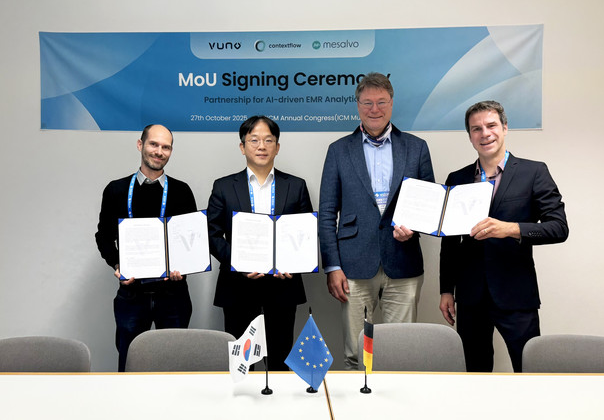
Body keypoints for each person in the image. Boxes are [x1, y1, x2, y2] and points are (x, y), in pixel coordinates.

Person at [439, 100, 569, 372]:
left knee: (529, 370)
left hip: (516, 294)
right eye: (476, 129)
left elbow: (558, 227)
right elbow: (450, 244)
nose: (485, 133)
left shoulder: (534, 172)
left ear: (505, 128)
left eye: (491, 125)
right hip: (470, 297)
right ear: (470, 136)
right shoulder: (457, 178)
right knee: (474, 373)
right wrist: (446, 290)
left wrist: (510, 229)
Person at [319, 72, 435, 369]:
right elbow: (327, 212)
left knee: (401, 352)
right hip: (353, 265)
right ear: (357, 105)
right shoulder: (338, 150)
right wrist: (332, 266)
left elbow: (429, 205)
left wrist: (414, 229)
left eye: (381, 102)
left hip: (403, 262)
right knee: (356, 353)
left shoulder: (416, 147)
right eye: (367, 102)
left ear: (391, 104)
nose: (375, 109)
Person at [207, 115, 312, 371]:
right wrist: (239, 263)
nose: (261, 146)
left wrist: (293, 263)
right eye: (254, 140)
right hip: (238, 287)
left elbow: (306, 233)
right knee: (242, 365)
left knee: (280, 362)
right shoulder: (223, 187)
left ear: (277, 147)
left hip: (282, 286)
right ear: (242, 147)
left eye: (268, 140)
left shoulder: (296, 186)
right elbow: (211, 233)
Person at [95, 124, 196, 372]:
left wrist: (184, 267)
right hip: (132, 295)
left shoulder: (182, 191)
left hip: (173, 295)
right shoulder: (116, 190)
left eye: (166, 147)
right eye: (154, 144)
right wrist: (118, 264)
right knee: (131, 363)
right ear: (140, 145)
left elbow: (191, 240)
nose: (159, 151)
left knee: (174, 364)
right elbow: (104, 236)